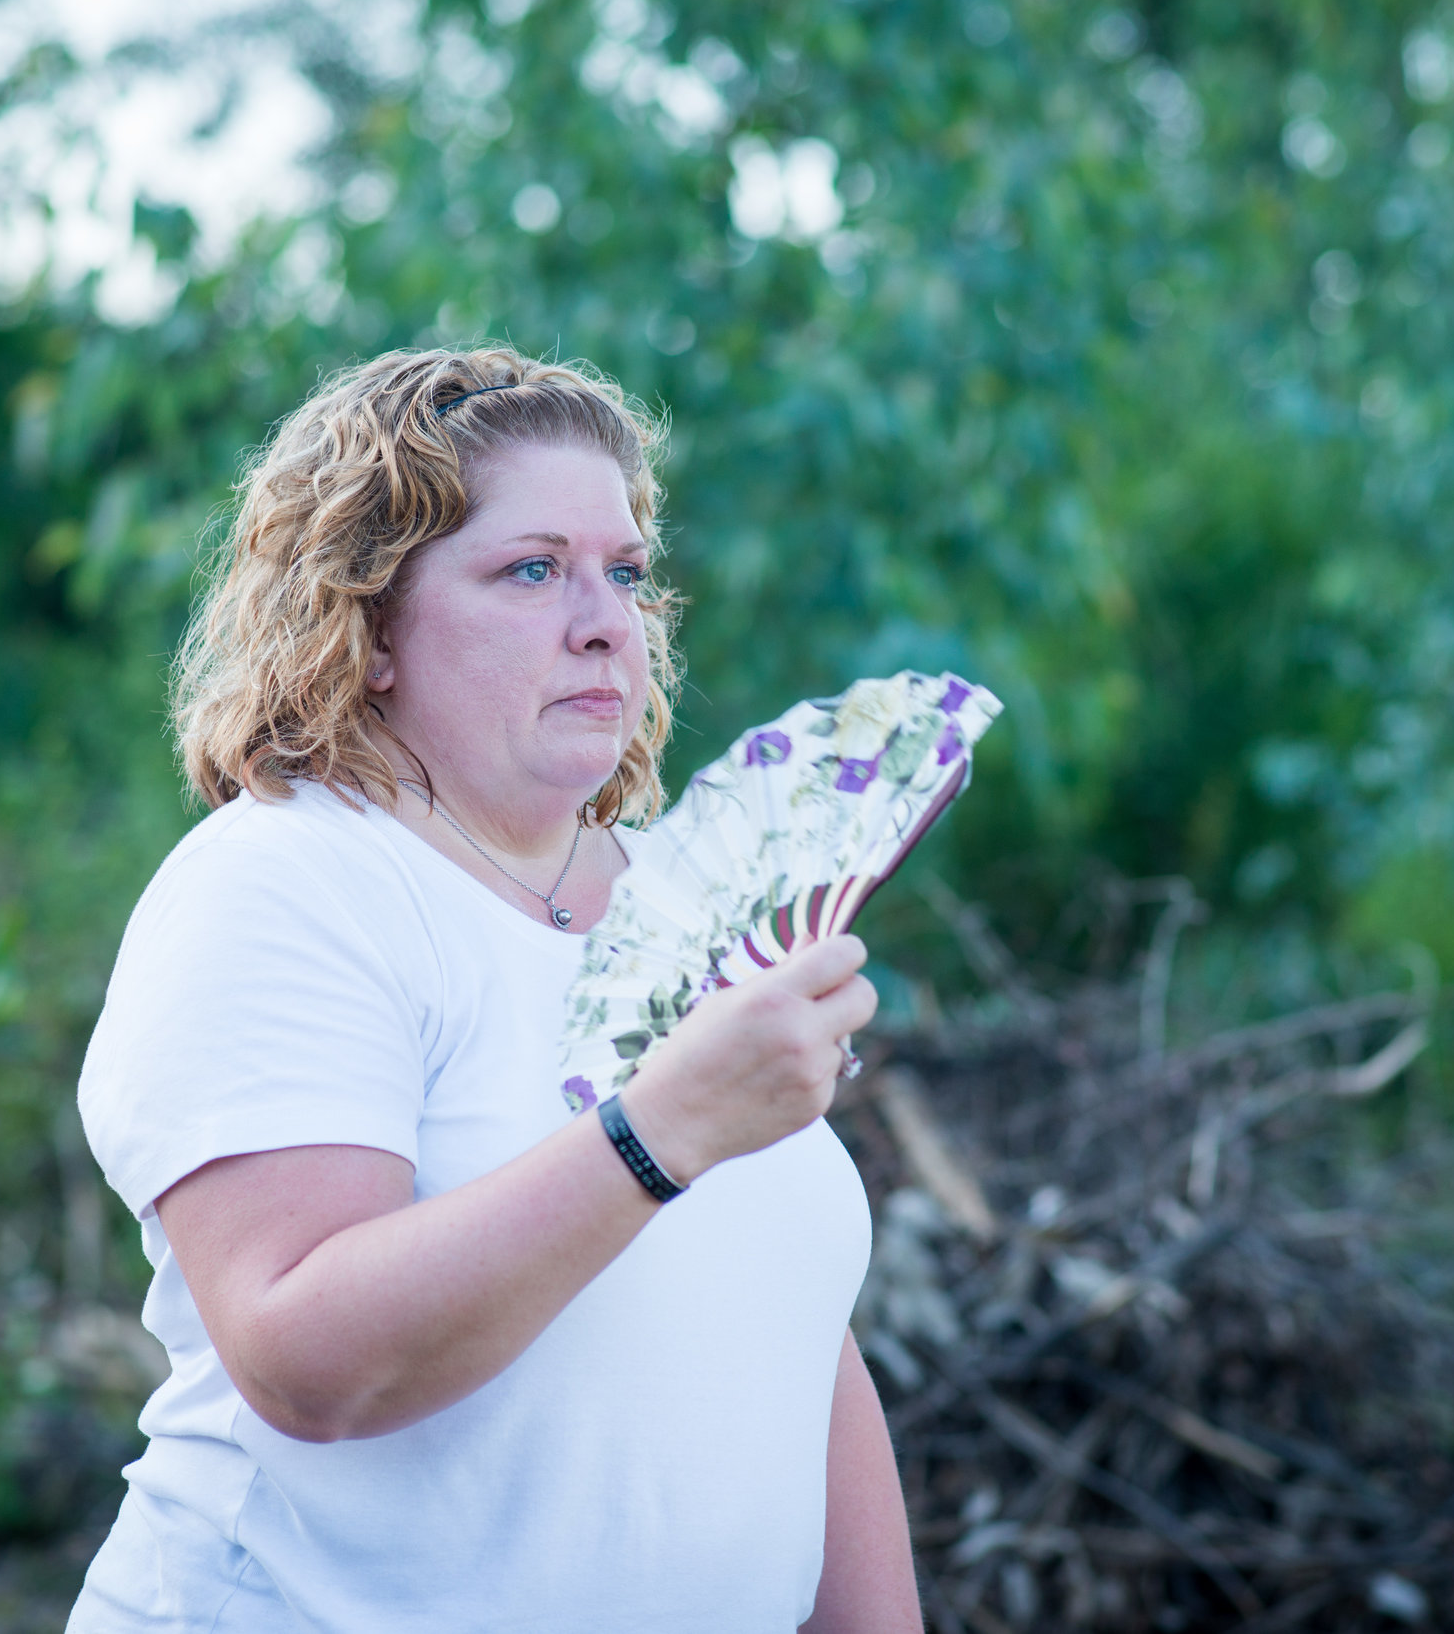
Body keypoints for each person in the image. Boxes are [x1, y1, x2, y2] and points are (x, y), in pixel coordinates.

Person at [68, 346, 923, 1632]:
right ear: (364, 629)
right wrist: (658, 1131)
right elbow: (307, 1365)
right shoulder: (284, 883)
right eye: (532, 570)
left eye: (624, 573)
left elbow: (788, 1324)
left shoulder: (691, 902)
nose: (604, 619)